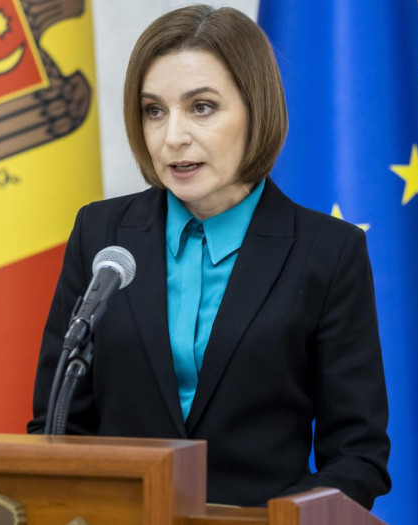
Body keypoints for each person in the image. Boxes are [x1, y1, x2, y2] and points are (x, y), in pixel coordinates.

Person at [28, 4, 390, 509]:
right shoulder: (102, 233)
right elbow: (57, 422)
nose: (172, 136)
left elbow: (357, 456)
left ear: (255, 109)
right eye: (154, 110)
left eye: (201, 107)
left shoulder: (328, 253)